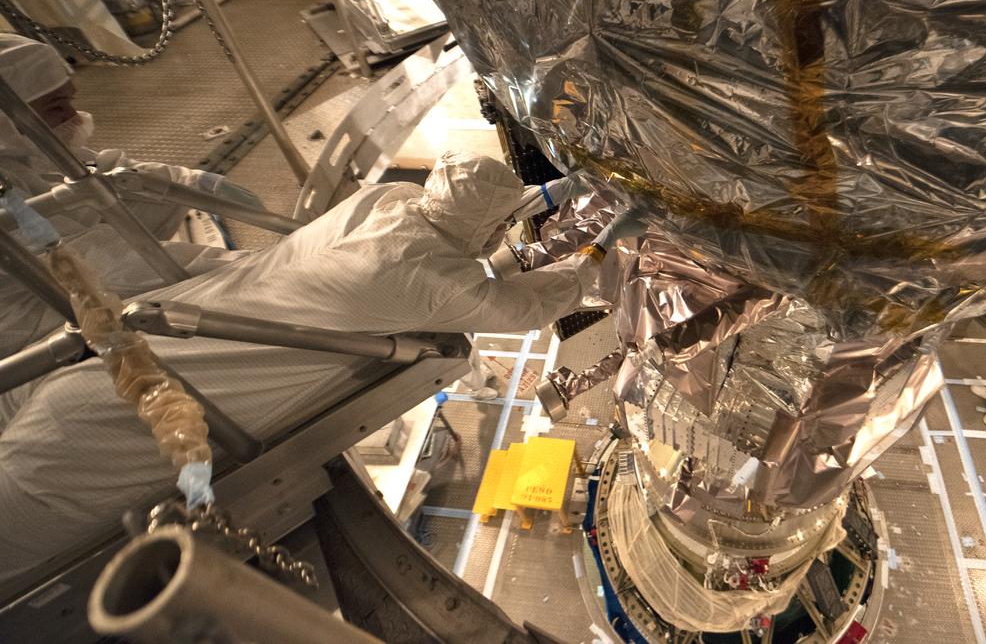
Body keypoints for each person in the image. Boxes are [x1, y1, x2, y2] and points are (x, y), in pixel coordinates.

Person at [0, 150, 609, 594]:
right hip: (111, 441)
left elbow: (472, 218)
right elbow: (526, 307)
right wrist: (600, 258)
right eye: (501, 229)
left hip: (97, 387)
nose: (503, 236)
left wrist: (564, 190)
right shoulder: (425, 280)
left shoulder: (391, 202)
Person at [0, 33, 256, 357]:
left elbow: (105, 172)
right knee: (182, 289)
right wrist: (251, 269)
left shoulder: (17, 149)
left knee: (138, 202)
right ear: (5, 119)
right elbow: (99, 267)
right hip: (30, 325)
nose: (75, 118)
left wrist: (196, 184)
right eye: (57, 107)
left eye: (70, 100)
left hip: (70, 273)